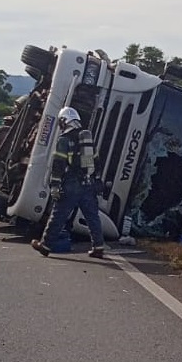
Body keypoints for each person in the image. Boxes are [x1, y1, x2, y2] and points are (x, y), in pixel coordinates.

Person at [31, 106, 106, 259]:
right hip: (88, 183)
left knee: (58, 215)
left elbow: (58, 164)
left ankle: (45, 245)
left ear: (65, 121)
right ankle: (98, 247)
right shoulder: (87, 139)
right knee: (92, 217)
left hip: (71, 184)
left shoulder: (64, 139)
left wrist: (55, 185)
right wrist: (97, 180)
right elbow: (97, 162)